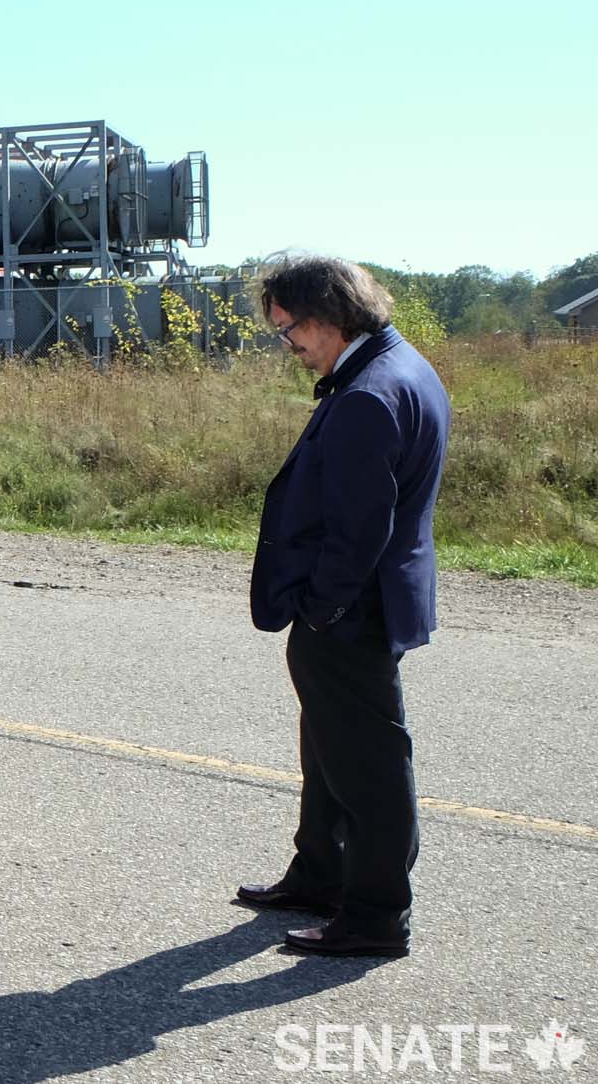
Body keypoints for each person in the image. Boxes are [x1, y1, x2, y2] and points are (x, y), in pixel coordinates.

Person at [236, 255, 450, 959]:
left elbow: (360, 531)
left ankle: (375, 915)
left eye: (289, 329)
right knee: (331, 746)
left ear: (329, 318)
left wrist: (321, 609)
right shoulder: (402, 366)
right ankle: (321, 874)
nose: (288, 345)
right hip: (367, 603)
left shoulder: (368, 395)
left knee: (369, 765)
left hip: (352, 612)